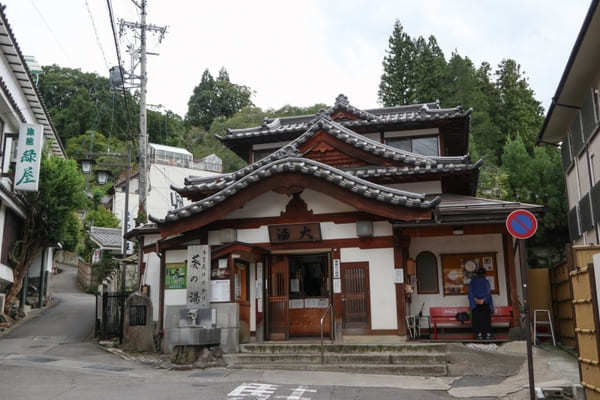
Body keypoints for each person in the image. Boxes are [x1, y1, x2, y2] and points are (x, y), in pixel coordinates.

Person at [468, 267, 494, 340]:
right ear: (484, 274)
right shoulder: (486, 281)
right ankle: (488, 334)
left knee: (477, 319)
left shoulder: (472, 282)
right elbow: (488, 293)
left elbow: (470, 293)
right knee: (486, 319)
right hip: (484, 304)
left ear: (477, 274)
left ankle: (479, 334)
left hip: (475, 304)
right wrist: (483, 300)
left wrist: (475, 299)